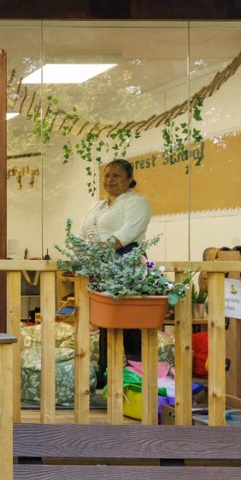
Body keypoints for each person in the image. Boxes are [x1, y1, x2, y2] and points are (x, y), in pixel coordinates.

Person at [79, 158, 152, 372]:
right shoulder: (97, 206)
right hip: (99, 264)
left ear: (130, 179)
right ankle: (106, 373)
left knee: (129, 323)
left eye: (116, 175)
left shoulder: (136, 203)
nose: (110, 179)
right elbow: (82, 234)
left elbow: (125, 235)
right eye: (107, 175)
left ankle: (135, 374)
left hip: (125, 262)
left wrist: (94, 254)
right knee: (104, 321)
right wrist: (80, 253)